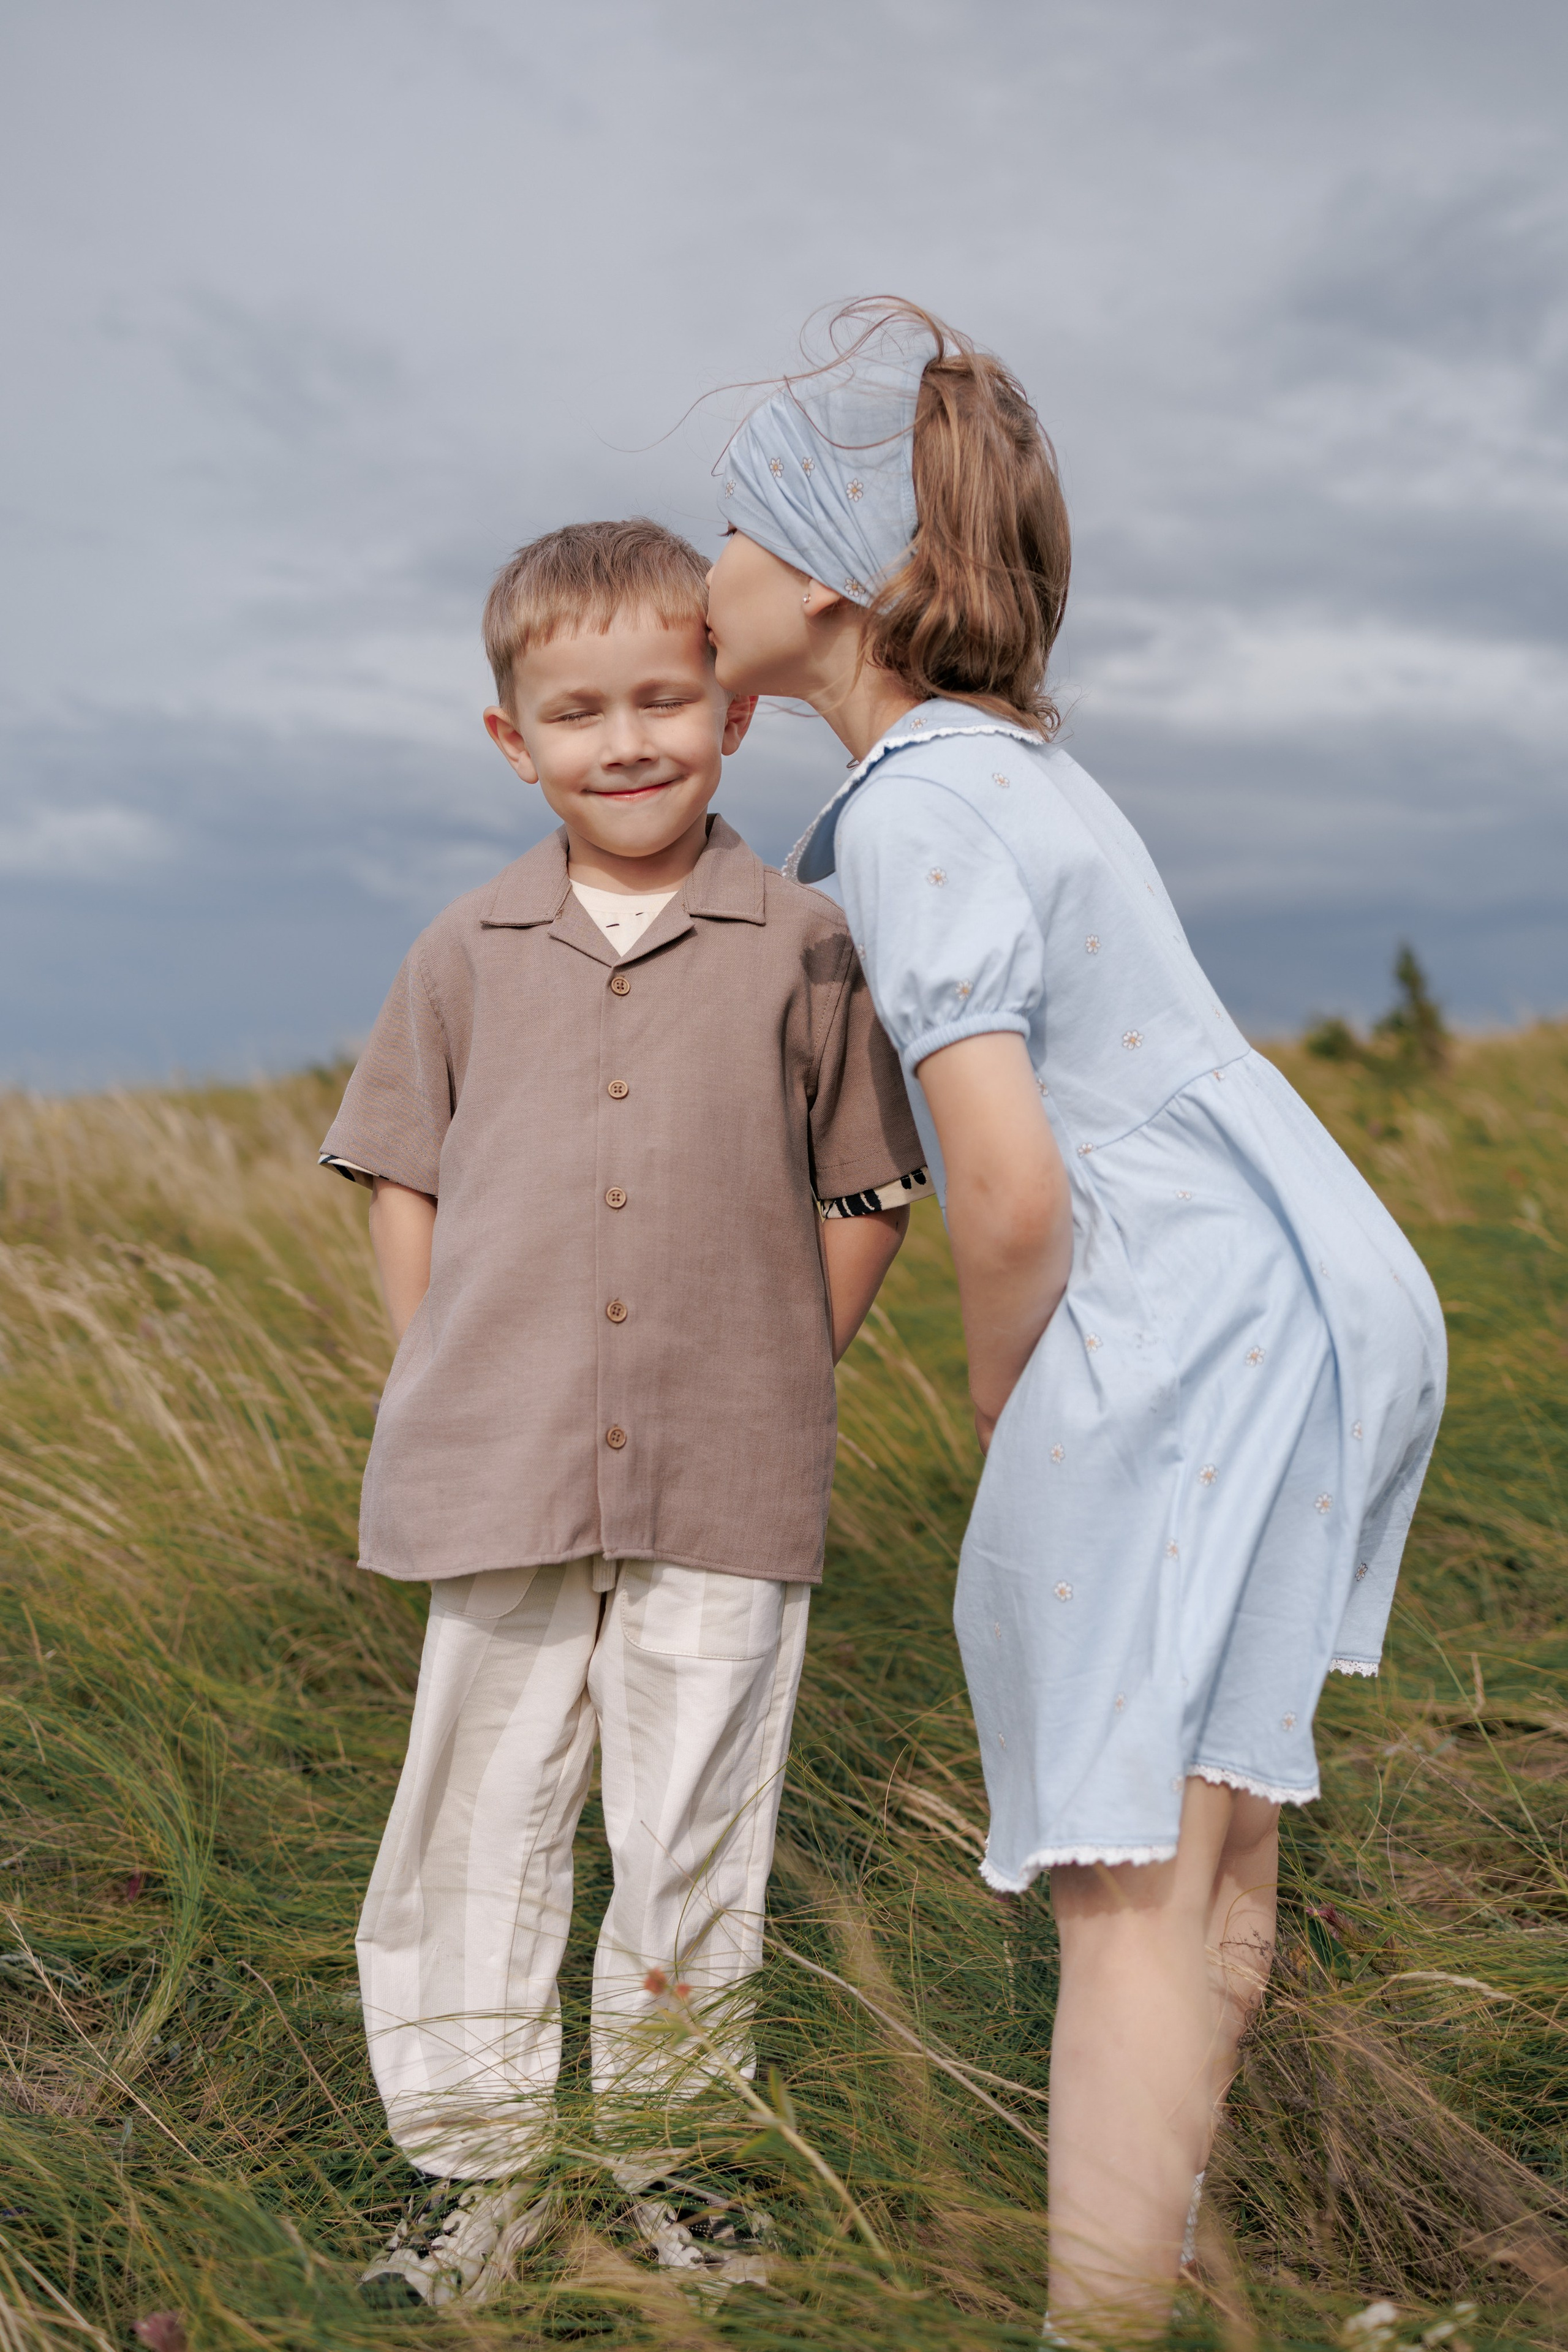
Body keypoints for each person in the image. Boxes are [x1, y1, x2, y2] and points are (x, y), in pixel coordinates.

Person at [703, 303, 1446, 2341]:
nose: (704, 583)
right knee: (1216, 1863)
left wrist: (1014, 1397)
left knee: (1123, 1885)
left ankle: (1095, 2324)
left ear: (837, 584)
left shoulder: (925, 812)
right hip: (1309, 1291)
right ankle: (1179, 2276)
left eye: (733, 539)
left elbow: (1010, 1188)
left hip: (1180, 1321)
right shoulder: (1022, 770)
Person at [320, 518, 928, 2306]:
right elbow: (399, 1176)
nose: (630, 738)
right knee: (477, 1809)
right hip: (491, 1461)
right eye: (579, 711)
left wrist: (782, 1370)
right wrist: (443, 1375)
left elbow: (871, 1194)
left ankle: (677, 2153)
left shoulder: (804, 941)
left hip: (729, 1470)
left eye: (667, 696)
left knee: (693, 1818)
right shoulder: (466, 948)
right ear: (515, 740)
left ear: (732, 712)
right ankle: (474, 2167)